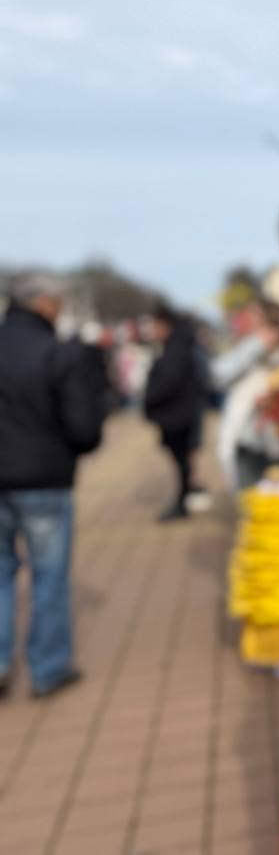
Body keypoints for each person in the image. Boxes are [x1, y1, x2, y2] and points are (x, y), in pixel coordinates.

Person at [0, 272, 107, 698]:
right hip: (43, 480)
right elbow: (83, 428)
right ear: (43, 303)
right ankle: (48, 667)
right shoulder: (58, 353)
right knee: (48, 576)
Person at [143, 304, 209, 521]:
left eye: (155, 325)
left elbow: (168, 382)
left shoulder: (175, 349)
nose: (153, 330)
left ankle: (183, 501)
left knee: (182, 460)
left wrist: (150, 399)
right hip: (180, 413)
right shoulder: (181, 345)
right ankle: (185, 497)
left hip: (177, 415)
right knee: (183, 460)